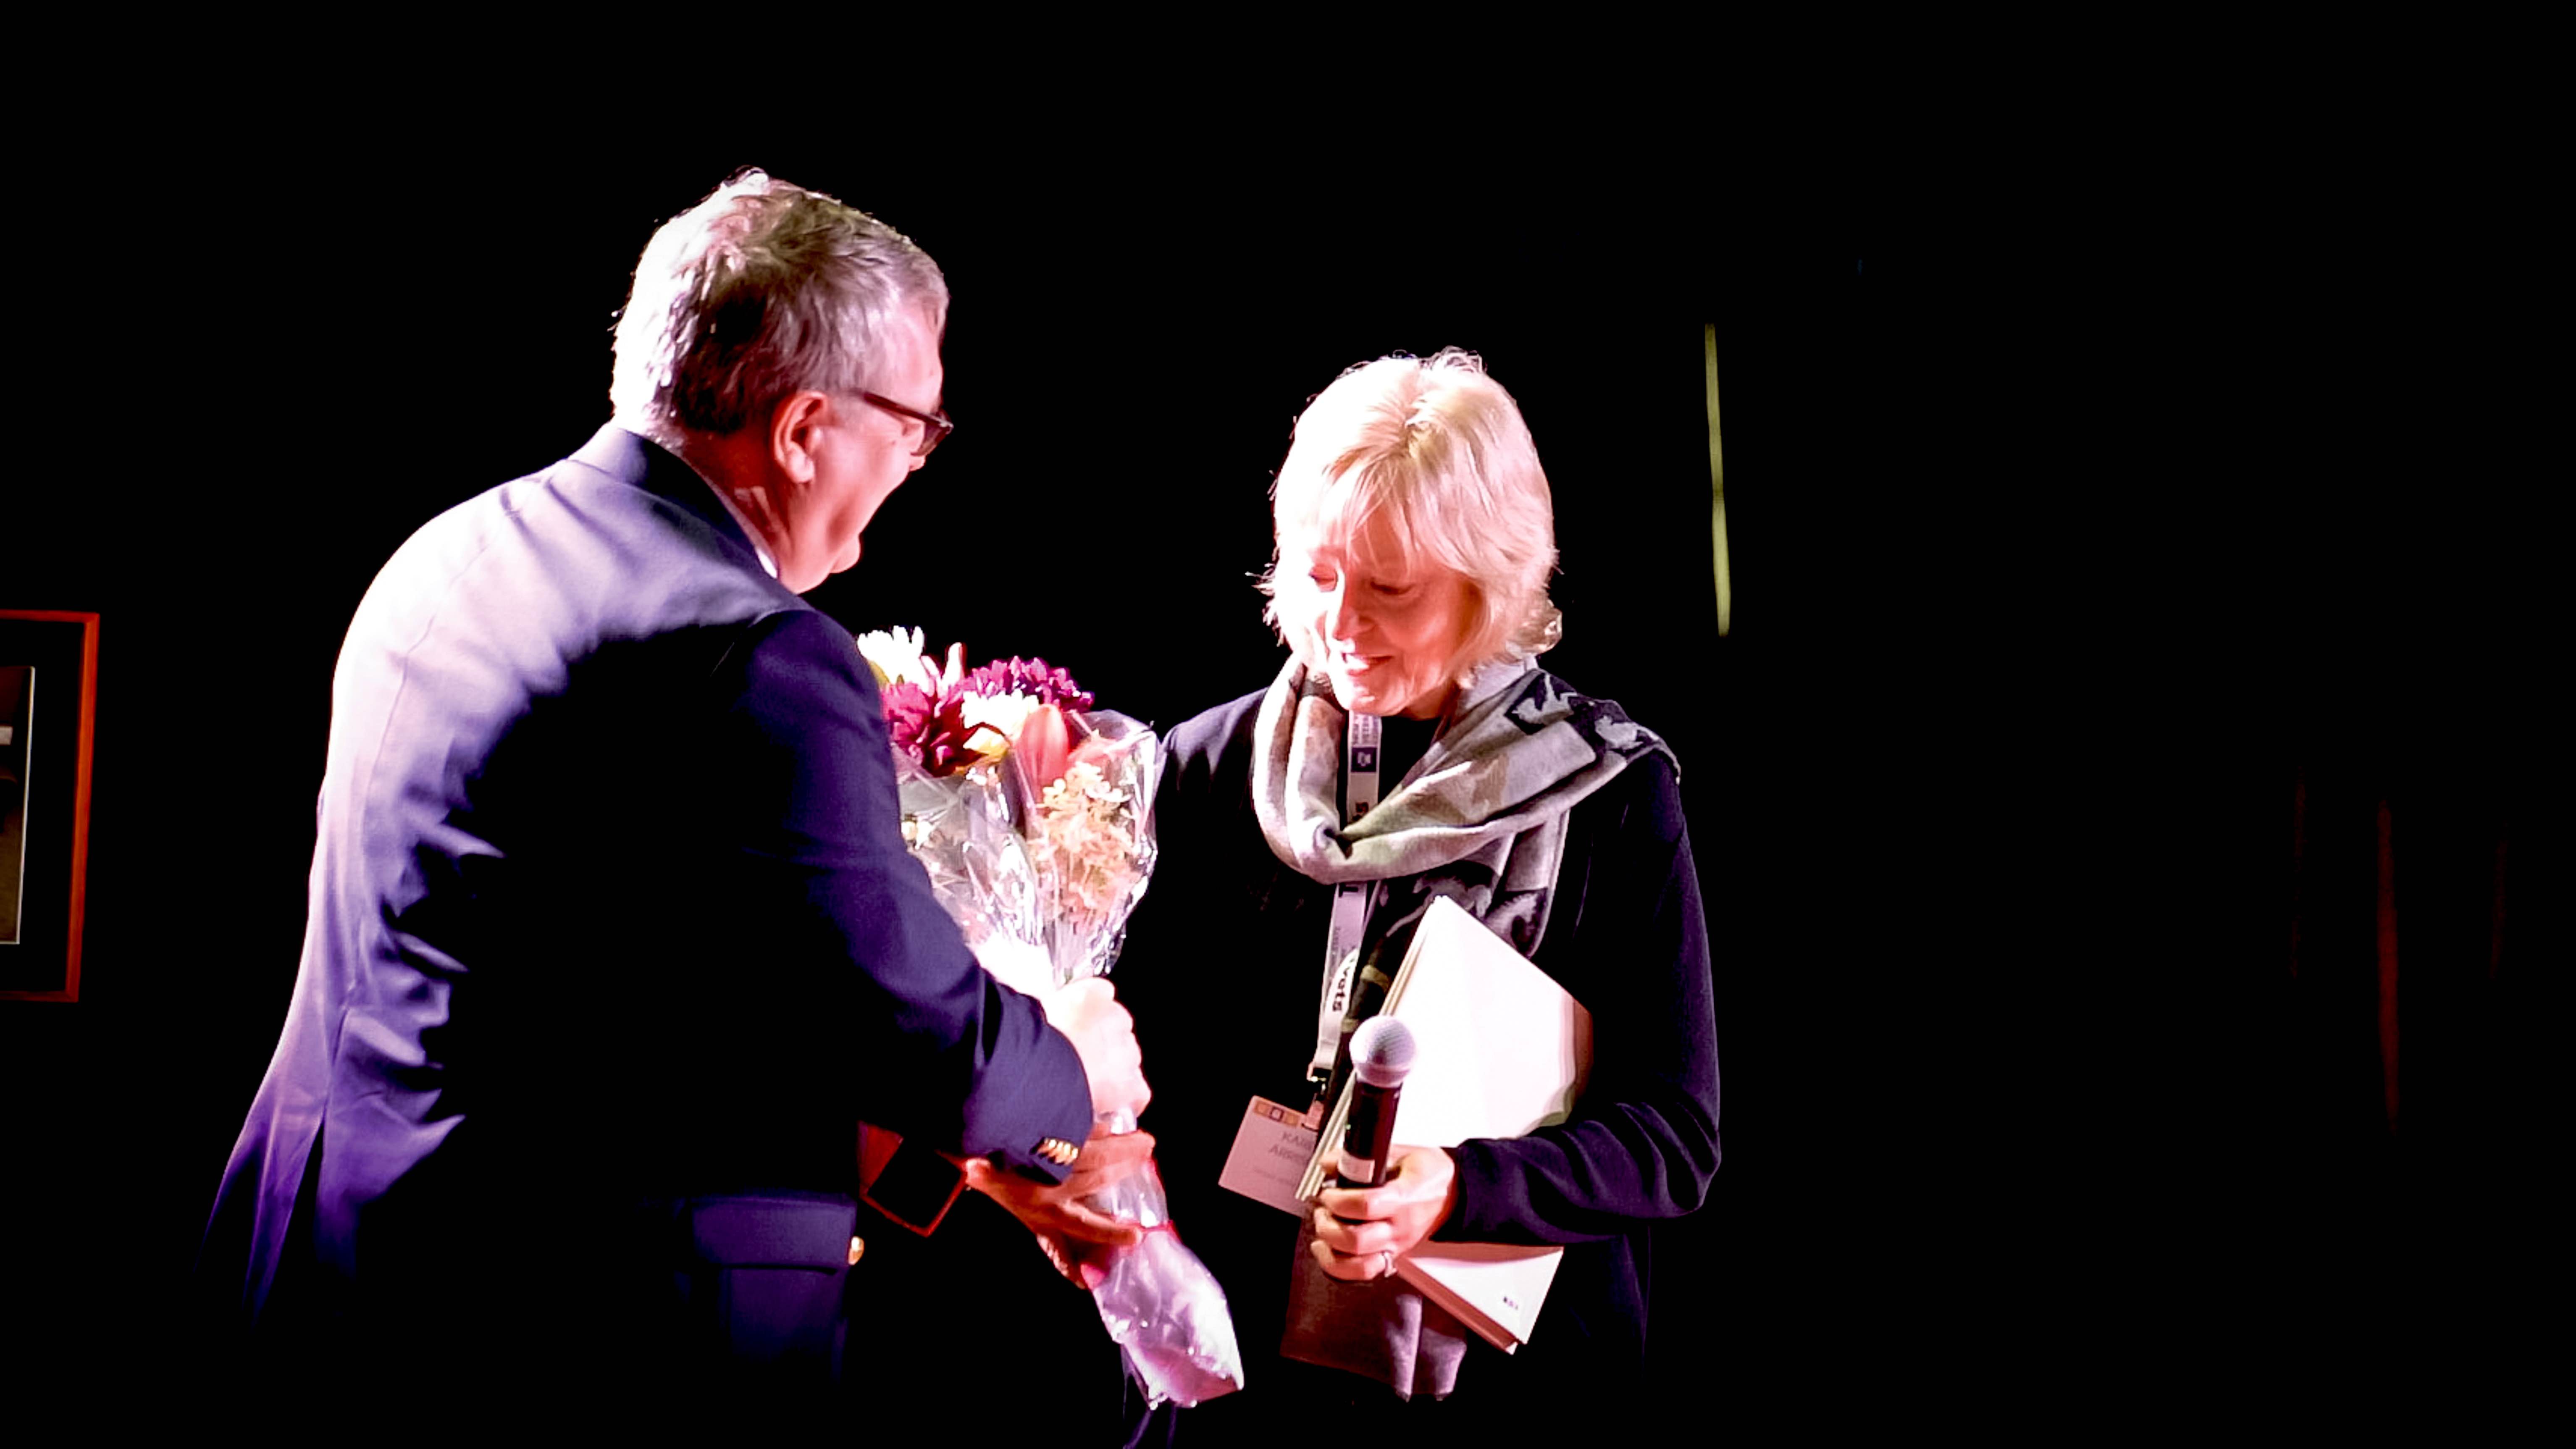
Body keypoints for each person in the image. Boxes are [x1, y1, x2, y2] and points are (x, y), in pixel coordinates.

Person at [195, 171, 1146, 1402]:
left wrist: (965, 1160)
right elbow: (923, 1036)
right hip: (565, 1330)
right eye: (916, 425)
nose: (919, 461)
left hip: (319, 1274)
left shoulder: (446, 551)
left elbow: (647, 990)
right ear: (806, 429)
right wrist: (1071, 1075)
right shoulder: (751, 653)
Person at [984, 349, 1720, 1440]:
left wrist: (1457, 1188)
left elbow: (1674, 1137)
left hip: (1512, 1393)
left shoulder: (1608, 794)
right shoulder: (1201, 765)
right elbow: (1107, 1066)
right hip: (1236, 1379)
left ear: (1490, 577)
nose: (1342, 623)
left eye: (1390, 588)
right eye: (1319, 574)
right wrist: (1070, 1151)